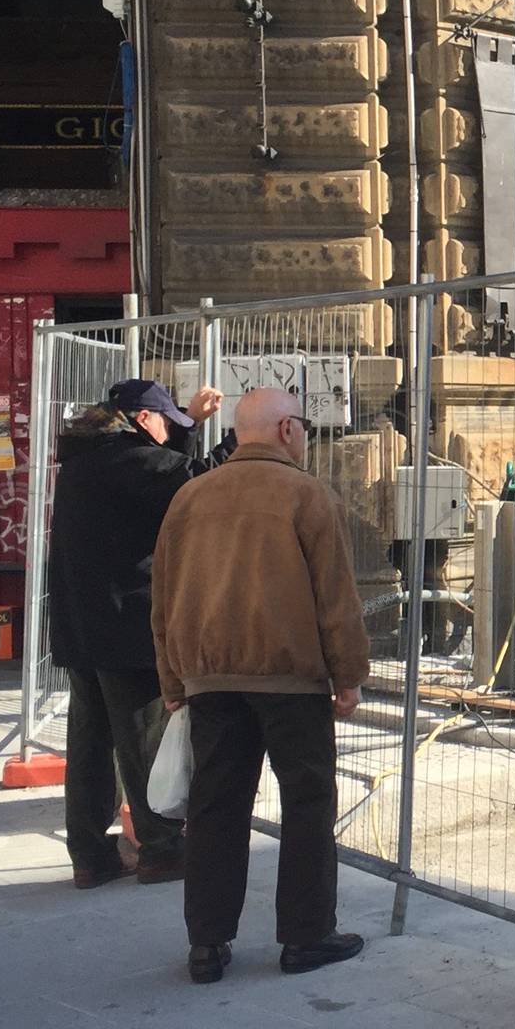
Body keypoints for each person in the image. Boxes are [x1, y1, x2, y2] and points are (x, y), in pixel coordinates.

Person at [152, 386, 370, 984]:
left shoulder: (190, 497)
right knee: (306, 804)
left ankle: (207, 944)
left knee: (216, 807)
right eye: (300, 425)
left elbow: (163, 598)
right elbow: (335, 598)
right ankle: (306, 936)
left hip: (210, 680)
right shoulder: (306, 495)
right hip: (290, 679)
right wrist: (347, 676)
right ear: (285, 431)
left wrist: (173, 679)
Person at [47, 377, 224, 890]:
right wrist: (244, 441)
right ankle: (162, 848)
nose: (171, 433)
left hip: (83, 626)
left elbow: (168, 479)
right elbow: (195, 480)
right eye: (168, 423)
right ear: (144, 420)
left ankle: (89, 853)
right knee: (141, 740)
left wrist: (190, 423)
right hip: (122, 624)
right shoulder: (124, 456)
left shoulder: (92, 454)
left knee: (90, 742)